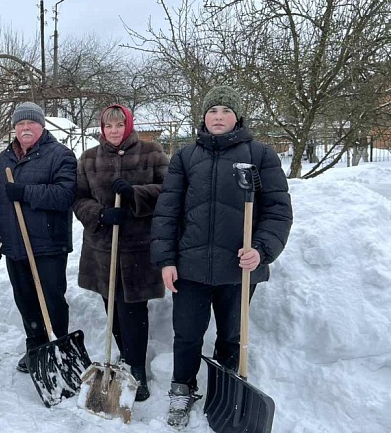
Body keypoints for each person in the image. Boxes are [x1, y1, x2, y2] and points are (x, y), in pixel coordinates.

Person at [150, 85, 293, 429]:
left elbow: (278, 211)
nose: (218, 117)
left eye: (225, 111)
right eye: (212, 110)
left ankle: (226, 388)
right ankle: (182, 387)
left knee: (232, 335)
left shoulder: (261, 155)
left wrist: (261, 250)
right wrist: (166, 260)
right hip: (191, 267)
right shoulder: (185, 157)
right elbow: (168, 212)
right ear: (203, 117)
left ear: (237, 117)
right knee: (186, 334)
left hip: (239, 269)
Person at [73, 104, 169, 402]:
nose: (113, 131)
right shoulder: (89, 158)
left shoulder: (152, 152)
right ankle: (124, 358)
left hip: (138, 247)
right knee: (111, 304)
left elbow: (169, 191)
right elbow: (78, 199)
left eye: (119, 125)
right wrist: (101, 214)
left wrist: (134, 193)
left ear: (129, 126)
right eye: (108, 126)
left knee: (133, 308)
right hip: (102, 246)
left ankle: (136, 367)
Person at [0, 101, 78, 373]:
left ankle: (60, 349)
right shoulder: (5, 158)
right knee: (26, 301)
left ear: (41, 126)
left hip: (48, 244)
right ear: (15, 128)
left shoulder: (60, 155)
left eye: (30, 123)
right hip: (15, 245)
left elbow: (65, 195)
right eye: (20, 123)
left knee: (51, 300)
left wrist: (26, 192)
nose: (25, 128)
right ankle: (36, 348)